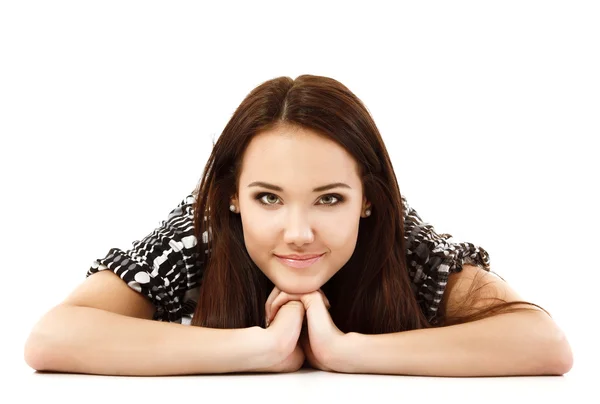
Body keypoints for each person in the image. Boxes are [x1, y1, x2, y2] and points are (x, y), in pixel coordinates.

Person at [24, 74, 573, 377]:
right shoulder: (201, 236)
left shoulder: (403, 240)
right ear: (233, 198)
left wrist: (345, 351)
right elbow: (52, 338)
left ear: (368, 201)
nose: (298, 232)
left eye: (329, 199)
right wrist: (259, 350)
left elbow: (542, 344)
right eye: (268, 198)